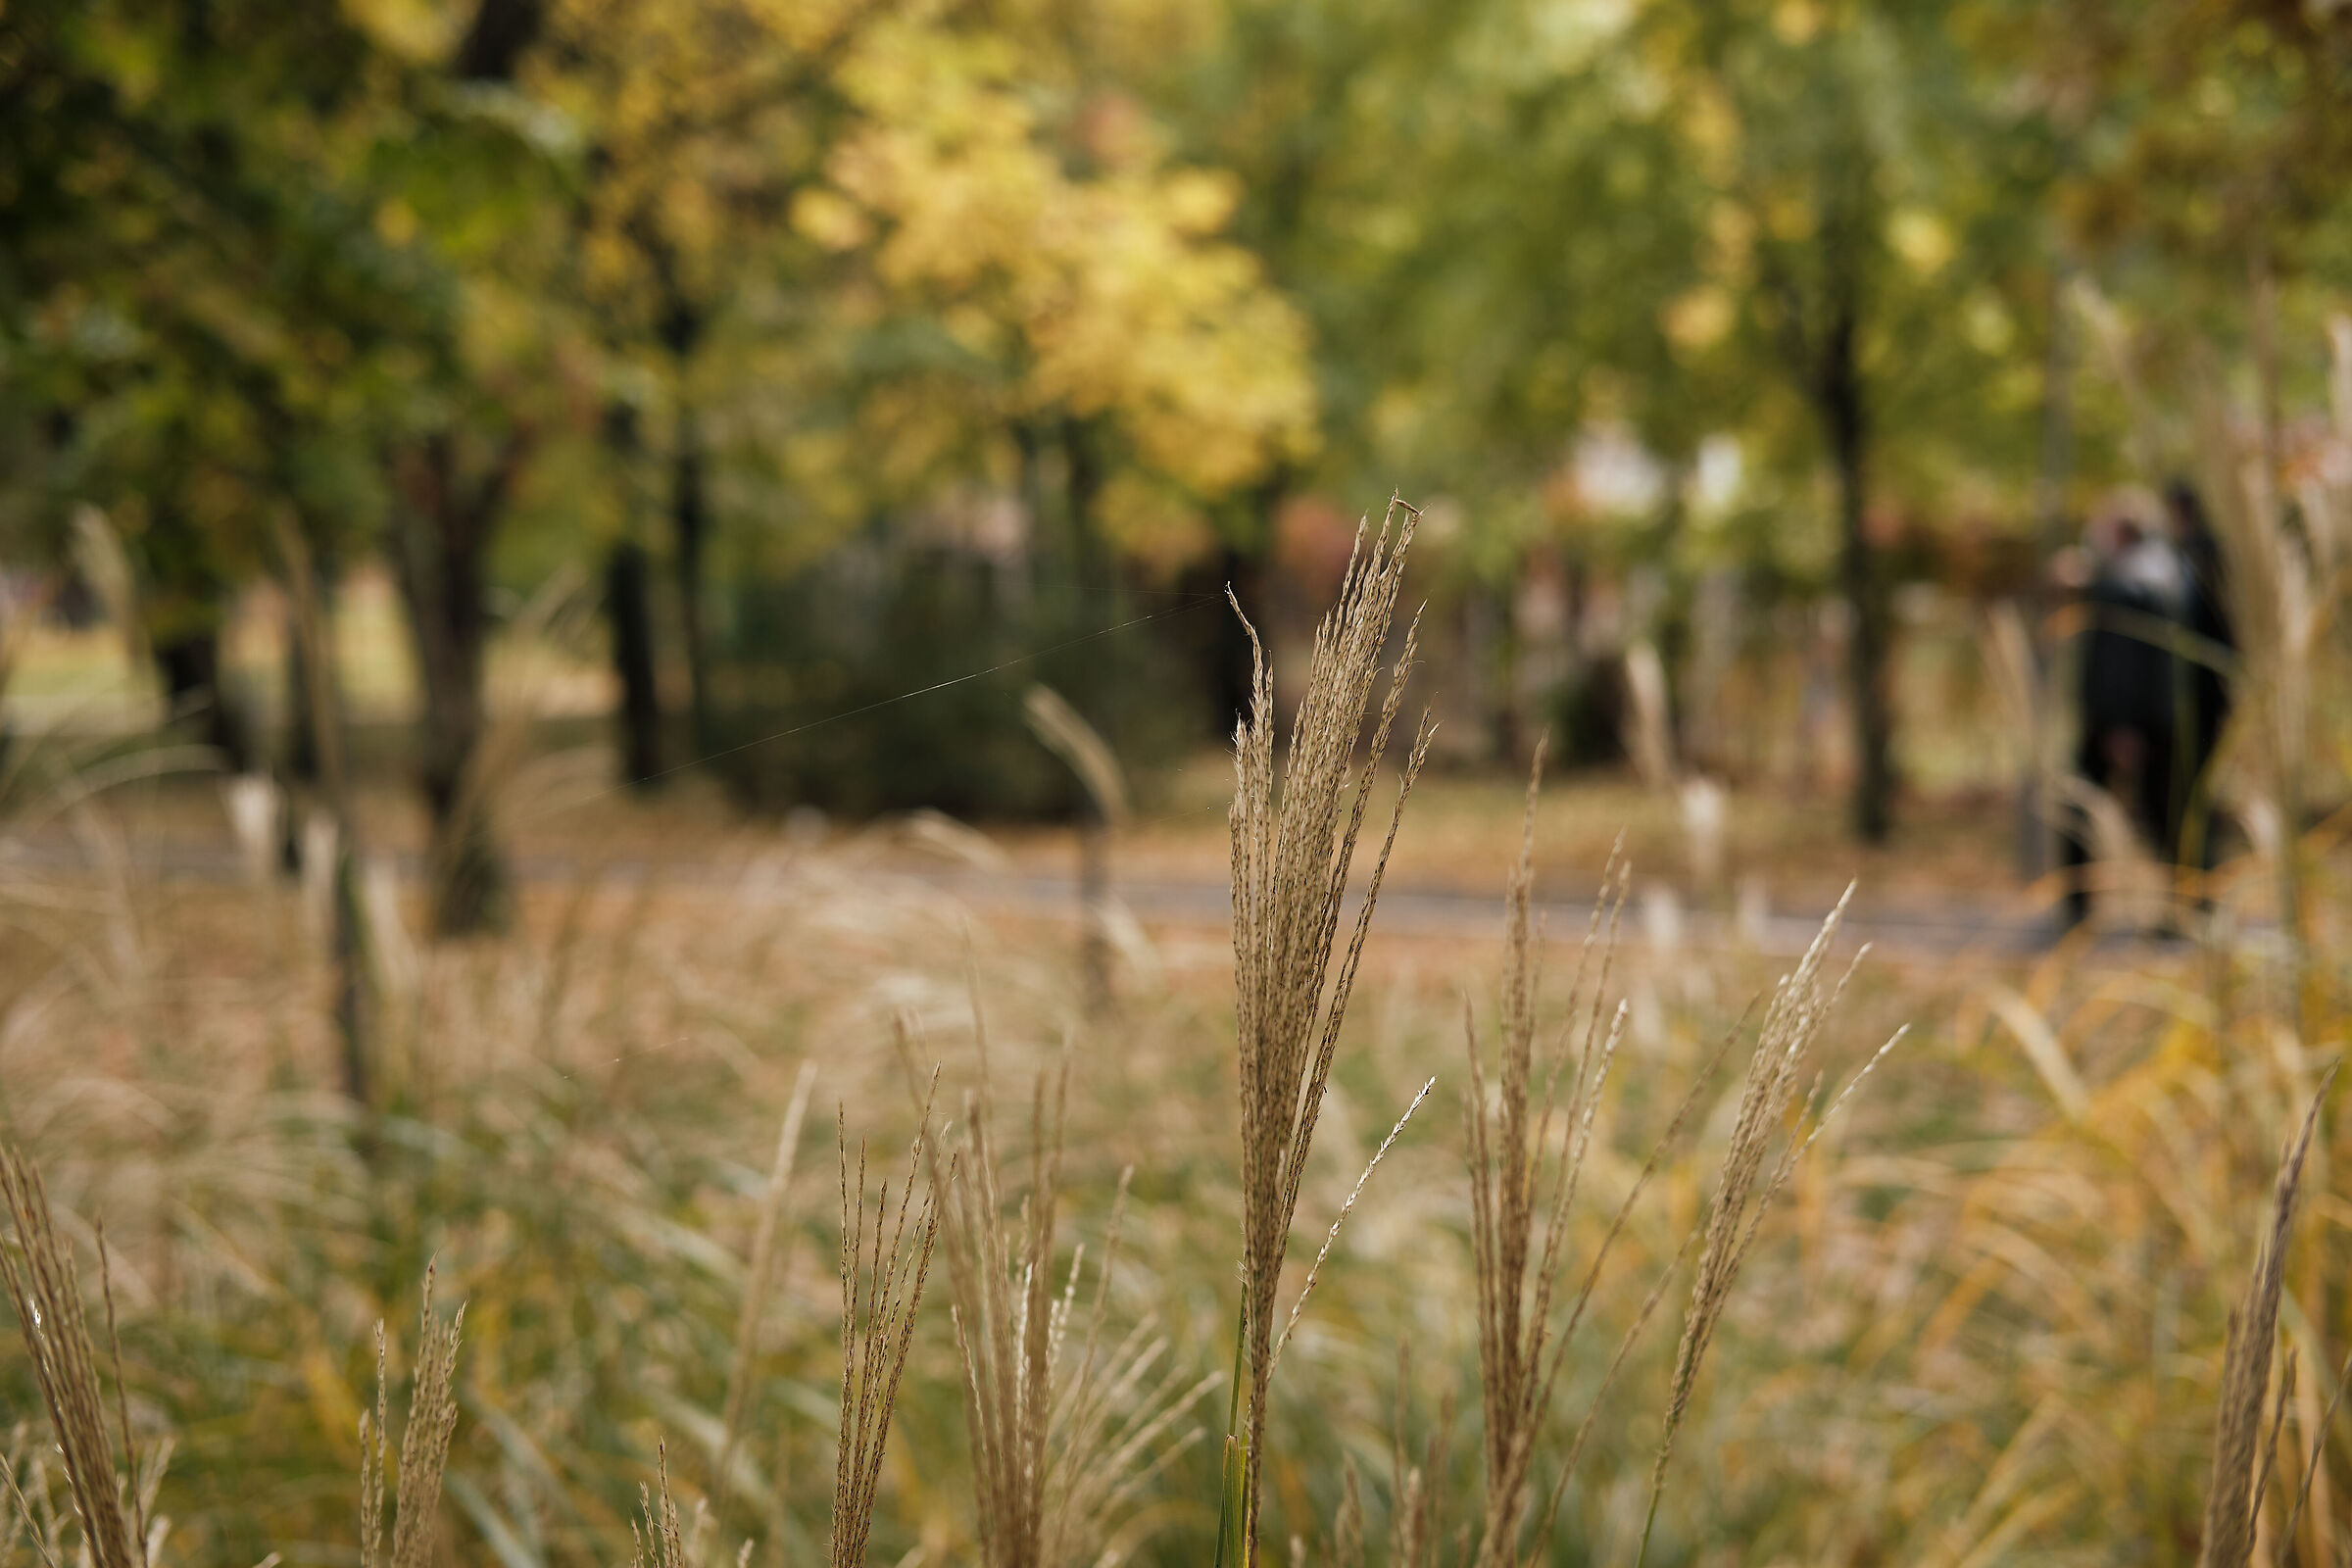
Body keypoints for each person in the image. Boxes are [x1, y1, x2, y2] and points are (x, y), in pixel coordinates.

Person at [2060, 493, 2189, 930]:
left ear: (2121, 533)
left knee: (2098, 811)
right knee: (2165, 815)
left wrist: (2123, 725)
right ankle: (2185, 906)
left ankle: (2081, 908)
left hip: (2124, 724)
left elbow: (2123, 662)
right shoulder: (2161, 575)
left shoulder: (2129, 586)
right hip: (2145, 722)